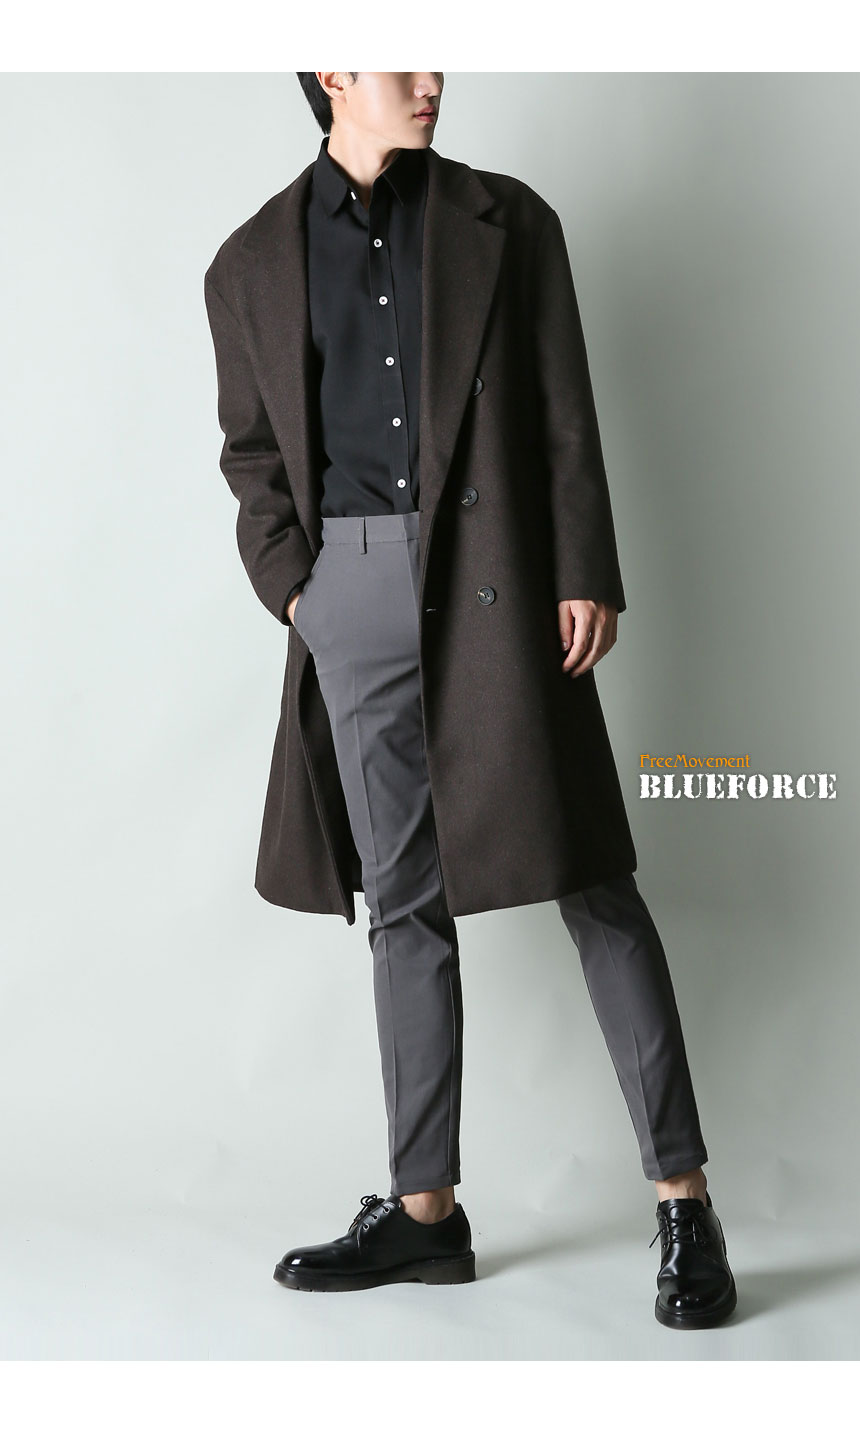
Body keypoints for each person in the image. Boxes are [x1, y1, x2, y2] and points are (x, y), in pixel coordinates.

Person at [204, 71, 737, 1329]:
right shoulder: (249, 263)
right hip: (351, 590)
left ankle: (683, 1200)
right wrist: (299, 592)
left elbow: (563, 411)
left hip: (501, 579)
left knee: (589, 876)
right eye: (402, 56)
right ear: (333, 72)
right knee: (401, 902)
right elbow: (253, 451)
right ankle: (425, 1213)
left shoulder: (507, 218)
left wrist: (582, 567)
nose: (432, 78)